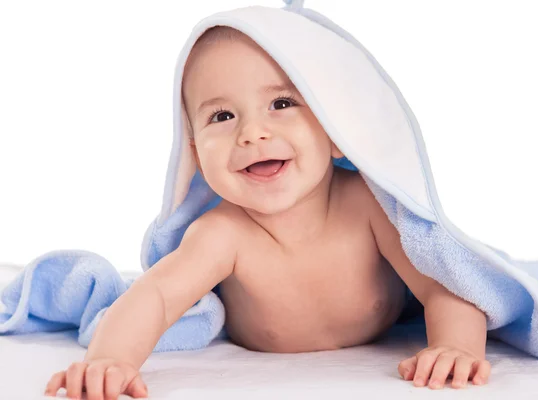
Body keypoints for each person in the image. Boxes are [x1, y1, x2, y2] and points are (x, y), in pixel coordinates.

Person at [45, 26, 490, 400]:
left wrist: (454, 346)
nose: (253, 133)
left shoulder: (368, 208)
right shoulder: (223, 234)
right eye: (221, 115)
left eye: (281, 104)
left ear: (337, 130)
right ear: (197, 156)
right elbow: (155, 297)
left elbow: (444, 285)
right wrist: (110, 360)